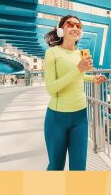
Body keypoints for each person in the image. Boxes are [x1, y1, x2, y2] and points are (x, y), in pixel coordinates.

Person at [43, 15, 107, 171]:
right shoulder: (52, 53)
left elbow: (78, 76)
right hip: (57, 118)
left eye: (79, 26)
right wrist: (78, 68)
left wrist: (92, 78)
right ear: (61, 29)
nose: (75, 28)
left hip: (80, 117)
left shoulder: (80, 54)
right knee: (56, 167)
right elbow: (51, 88)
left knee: (79, 169)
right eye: (70, 24)